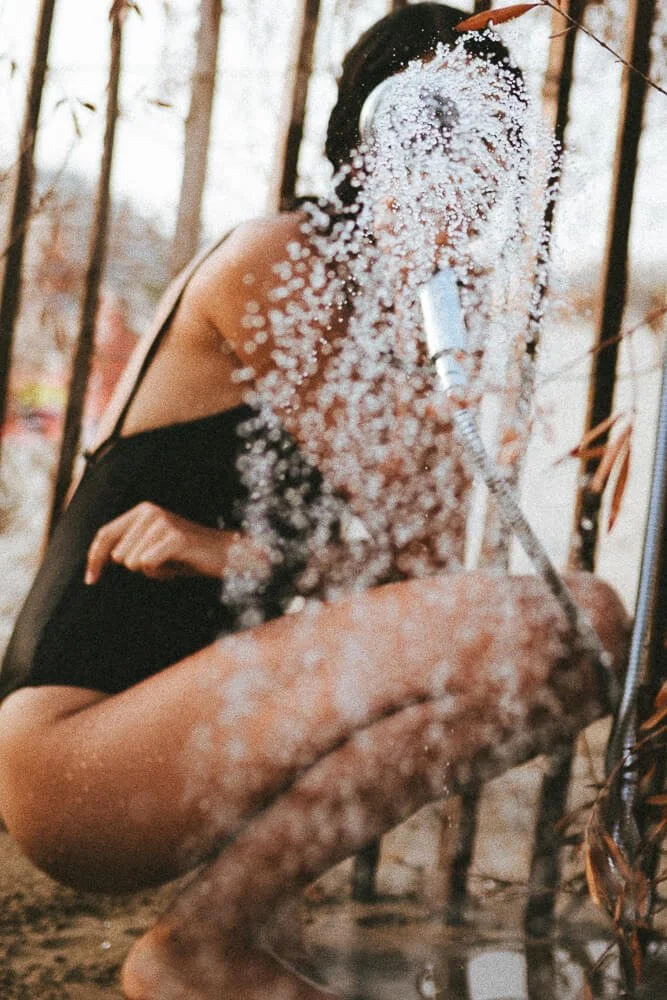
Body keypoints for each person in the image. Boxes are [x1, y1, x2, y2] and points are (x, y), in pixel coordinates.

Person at [0, 5, 629, 999]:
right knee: (579, 615)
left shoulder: (394, 307)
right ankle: (198, 945)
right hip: (77, 756)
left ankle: (221, 930)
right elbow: (420, 569)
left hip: (173, 740)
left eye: (491, 147)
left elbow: (422, 573)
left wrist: (236, 550)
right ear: (369, 138)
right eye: (438, 133)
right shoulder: (280, 260)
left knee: (575, 653)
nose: (468, 174)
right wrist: (230, 554)